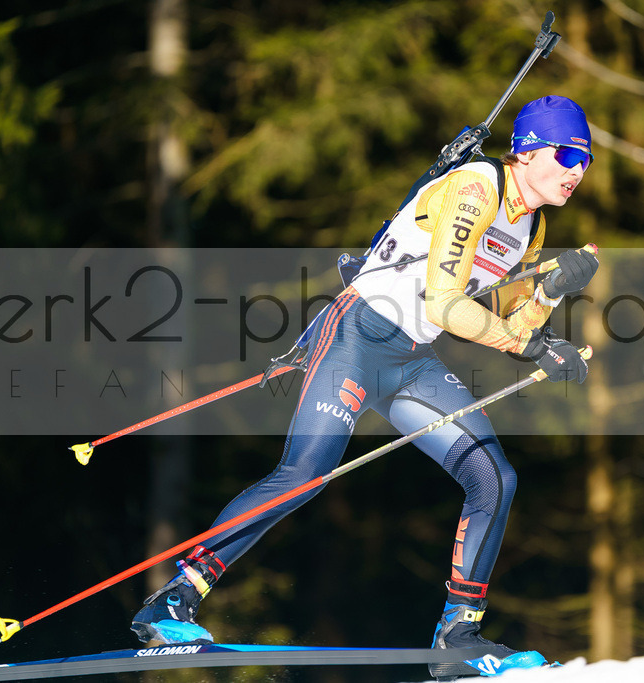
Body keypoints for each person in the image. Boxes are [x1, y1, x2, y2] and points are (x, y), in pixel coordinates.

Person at [130, 95, 600, 678]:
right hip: (356, 334)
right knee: (306, 473)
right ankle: (173, 598)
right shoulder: (477, 188)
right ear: (527, 151)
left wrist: (551, 301)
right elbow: (449, 304)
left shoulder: (532, 221)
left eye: (586, 158)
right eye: (566, 153)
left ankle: (458, 636)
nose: (577, 169)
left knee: (494, 477)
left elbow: (505, 319)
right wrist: (530, 346)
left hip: (408, 358)